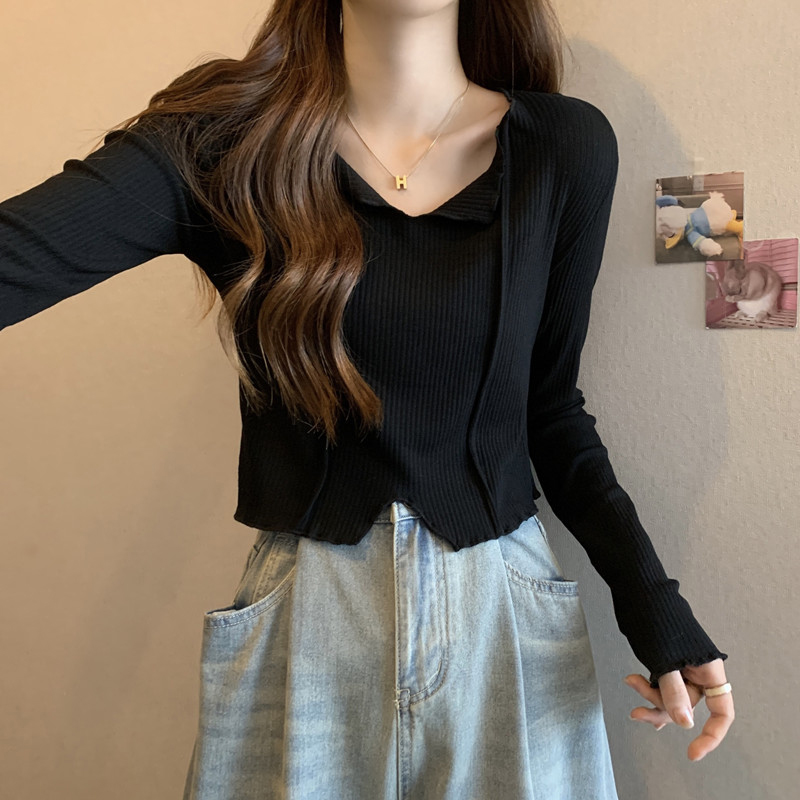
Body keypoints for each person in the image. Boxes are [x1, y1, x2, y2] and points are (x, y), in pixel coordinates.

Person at [0, 1, 734, 797]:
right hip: (305, 620)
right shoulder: (223, 141)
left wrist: (654, 606)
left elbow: (551, 411)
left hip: (504, 614)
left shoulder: (564, 145)